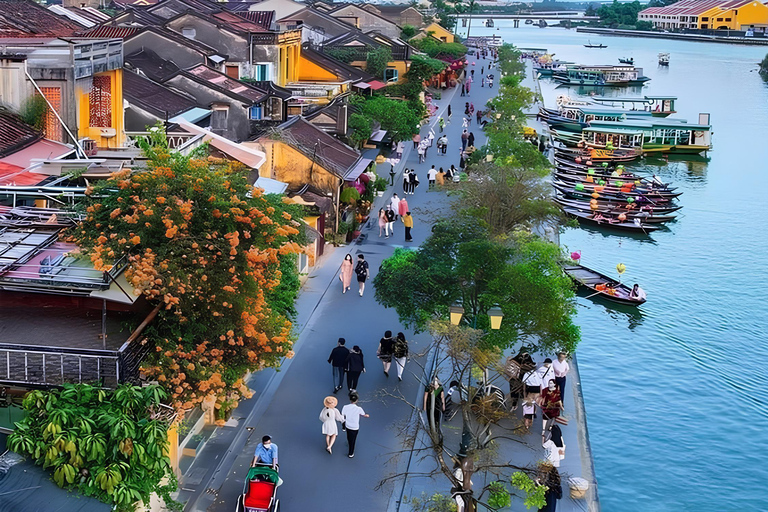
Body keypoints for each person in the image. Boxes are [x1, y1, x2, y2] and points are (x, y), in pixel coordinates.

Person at [341, 392, 369, 458]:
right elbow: (363, 414)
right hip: (355, 427)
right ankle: (351, 453)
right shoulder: (359, 409)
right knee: (353, 440)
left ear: (350, 400)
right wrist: (367, 415)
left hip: (348, 425)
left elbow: (342, 414)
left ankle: (349, 442)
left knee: (348, 436)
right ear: (357, 400)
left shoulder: (345, 407)